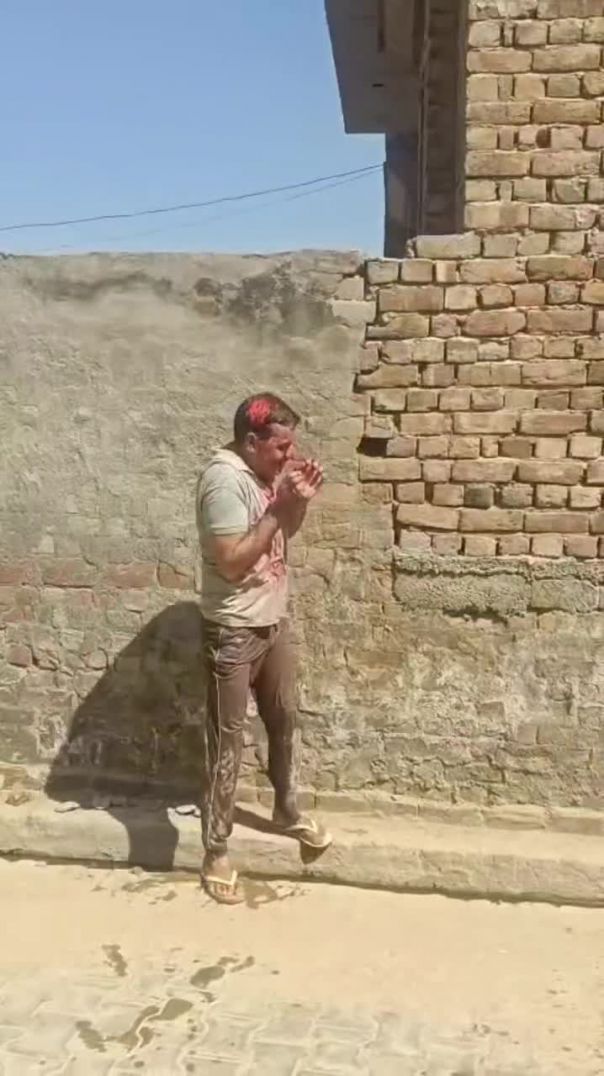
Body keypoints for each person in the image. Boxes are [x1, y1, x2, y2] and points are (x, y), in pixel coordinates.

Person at [196, 393, 332, 904]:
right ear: (251, 442)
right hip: (233, 630)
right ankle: (215, 850)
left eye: (291, 445)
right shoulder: (224, 481)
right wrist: (278, 507)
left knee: (283, 719)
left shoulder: (264, 473)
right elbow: (233, 563)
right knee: (226, 742)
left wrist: (296, 501)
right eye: (281, 447)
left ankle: (285, 809)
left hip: (271, 621)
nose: (289, 455)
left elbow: (282, 533)